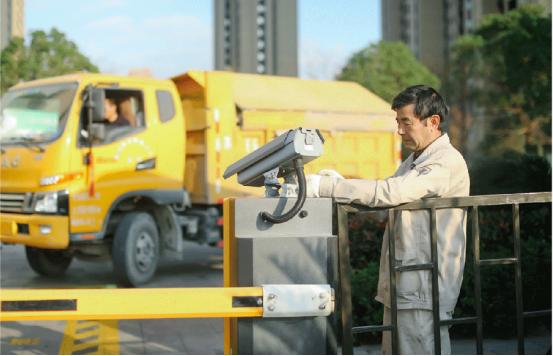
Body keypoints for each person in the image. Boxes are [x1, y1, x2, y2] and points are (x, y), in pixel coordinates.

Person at [306, 85, 470, 354]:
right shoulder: (417, 159)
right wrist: (341, 185)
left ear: (433, 122)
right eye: (398, 122)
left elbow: (391, 192)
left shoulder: (444, 162)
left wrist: (326, 188)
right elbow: (385, 193)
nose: (400, 130)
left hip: (424, 287)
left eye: (406, 122)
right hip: (408, 281)